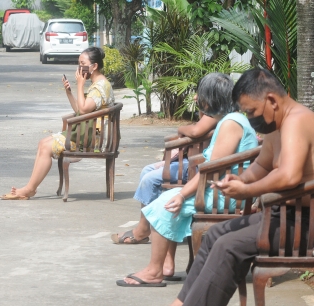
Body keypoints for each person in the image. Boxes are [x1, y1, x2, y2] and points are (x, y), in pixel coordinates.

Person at [170, 68, 314, 305]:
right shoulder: (276, 124)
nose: (251, 118)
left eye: (252, 111)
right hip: (280, 216)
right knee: (215, 234)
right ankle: (181, 302)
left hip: (303, 222)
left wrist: (248, 191)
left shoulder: (297, 120)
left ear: (271, 100)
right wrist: (242, 179)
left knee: (228, 246)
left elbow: (289, 176)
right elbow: (263, 165)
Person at [116, 72, 259, 287]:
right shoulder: (230, 120)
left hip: (228, 195)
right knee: (168, 199)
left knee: (166, 205)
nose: (197, 100)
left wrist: (183, 194)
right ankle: (164, 266)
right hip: (222, 189)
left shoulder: (230, 123)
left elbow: (212, 169)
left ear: (210, 99)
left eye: (200, 96)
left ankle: (154, 271)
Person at [0, 47, 114, 200]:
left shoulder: (100, 87)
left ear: (94, 66)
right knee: (43, 143)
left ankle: (29, 189)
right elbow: (80, 110)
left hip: (95, 139)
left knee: (47, 147)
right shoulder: (97, 84)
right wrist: (69, 92)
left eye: (82, 63)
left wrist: (80, 85)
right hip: (89, 132)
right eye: (78, 63)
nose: (79, 68)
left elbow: (84, 110)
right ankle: (30, 188)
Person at [111, 105, 217, 245]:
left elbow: (196, 131)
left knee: (149, 180)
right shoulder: (209, 113)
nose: (196, 98)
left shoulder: (214, 115)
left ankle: (143, 230)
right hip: (189, 158)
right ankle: (147, 224)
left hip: (195, 164)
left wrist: (181, 129)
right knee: (146, 170)